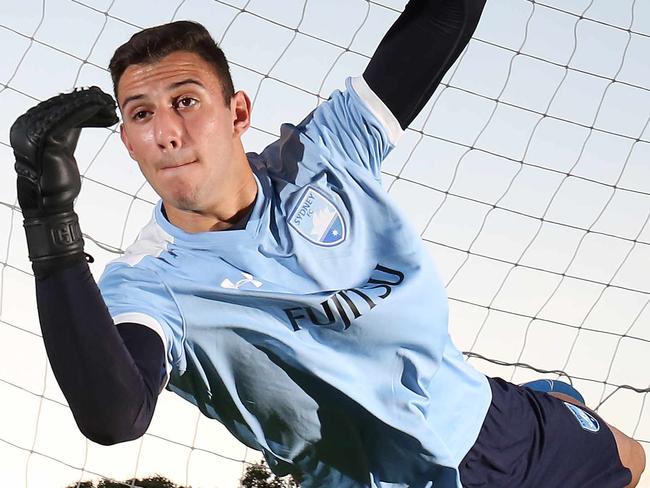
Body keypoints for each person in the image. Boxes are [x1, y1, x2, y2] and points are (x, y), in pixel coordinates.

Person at [9, 1, 645, 486]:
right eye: (140, 114)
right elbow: (114, 418)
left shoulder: (325, 154)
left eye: (185, 101)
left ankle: (542, 400)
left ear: (237, 113)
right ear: (125, 140)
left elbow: (441, 19)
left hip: (485, 424)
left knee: (628, 457)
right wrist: (49, 221)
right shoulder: (148, 283)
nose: (166, 132)